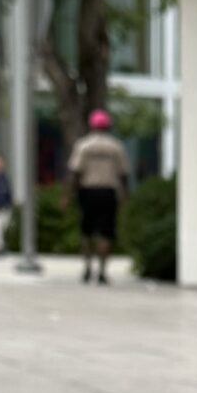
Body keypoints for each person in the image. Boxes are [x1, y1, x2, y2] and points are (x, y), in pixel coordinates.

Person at [69, 108, 130, 284]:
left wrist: (69, 195)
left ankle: (88, 267)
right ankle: (102, 271)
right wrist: (125, 196)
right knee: (106, 232)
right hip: (108, 192)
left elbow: (75, 172)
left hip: (87, 191)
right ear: (108, 126)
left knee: (86, 231)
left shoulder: (83, 145)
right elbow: (123, 174)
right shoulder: (116, 146)